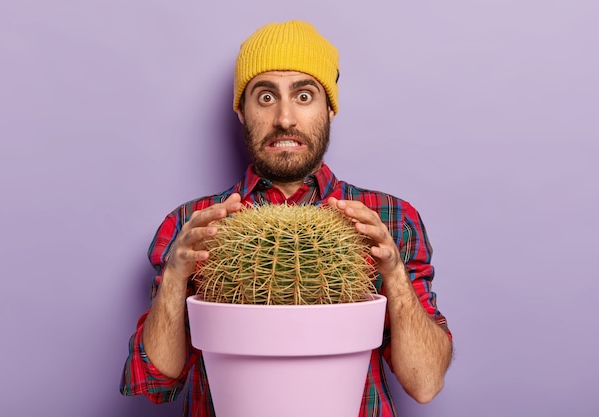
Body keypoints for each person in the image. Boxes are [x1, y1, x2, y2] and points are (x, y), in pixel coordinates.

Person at [121, 20, 453, 416]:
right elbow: (155, 384)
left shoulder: (390, 219)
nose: (284, 118)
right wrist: (176, 274)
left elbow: (426, 382)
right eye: (264, 97)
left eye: (304, 95)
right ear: (241, 113)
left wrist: (395, 275)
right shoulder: (194, 224)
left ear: (329, 108)